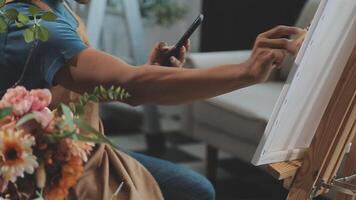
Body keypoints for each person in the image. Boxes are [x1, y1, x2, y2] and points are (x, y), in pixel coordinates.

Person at [0, 0, 305, 199]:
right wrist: (245, 72)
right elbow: (131, 86)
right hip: (47, 171)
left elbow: (81, 86)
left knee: (193, 189)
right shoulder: (35, 26)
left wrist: (151, 73)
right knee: (193, 192)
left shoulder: (58, 8)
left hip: (85, 151)